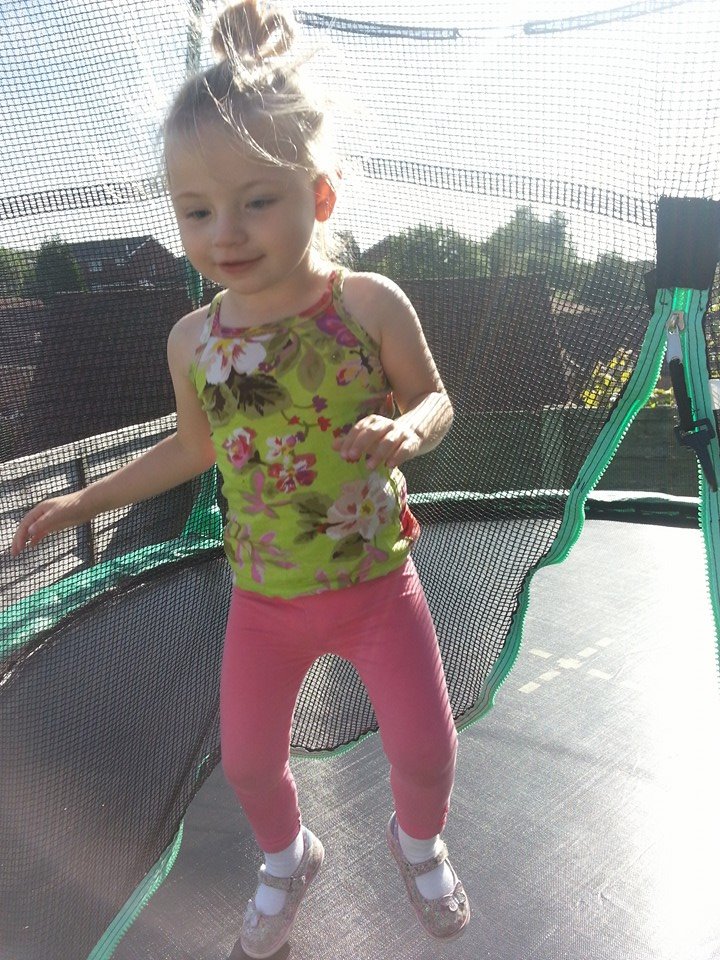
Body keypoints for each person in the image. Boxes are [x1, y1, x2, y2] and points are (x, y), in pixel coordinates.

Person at [11, 2, 468, 955]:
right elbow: (192, 448)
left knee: (427, 753)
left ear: (322, 196)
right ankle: (286, 857)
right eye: (196, 209)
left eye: (257, 198)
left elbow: (437, 399)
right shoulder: (195, 340)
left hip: (381, 588)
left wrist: (411, 425)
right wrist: (81, 500)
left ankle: (417, 843)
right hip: (265, 602)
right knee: (253, 767)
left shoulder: (369, 304)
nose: (226, 229)